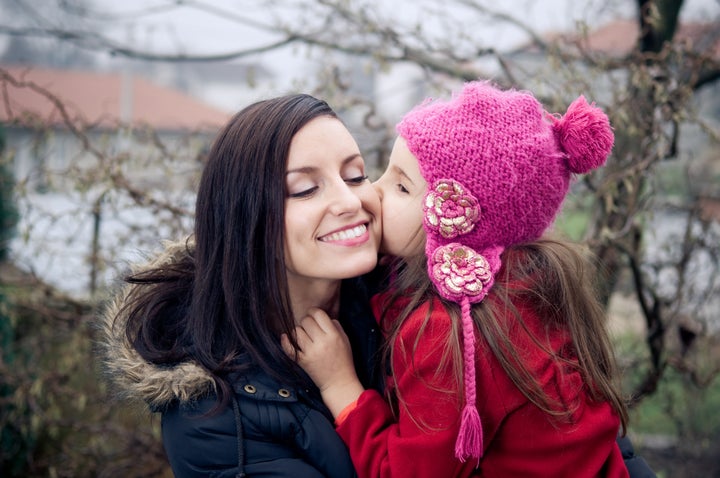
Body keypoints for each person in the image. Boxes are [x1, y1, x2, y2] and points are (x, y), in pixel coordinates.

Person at [284, 81, 632, 477]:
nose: (372, 193)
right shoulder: (529, 291)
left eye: (400, 185)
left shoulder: (446, 334)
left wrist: (340, 385)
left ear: (455, 221)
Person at [100, 93, 384, 477]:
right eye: (304, 188)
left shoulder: (418, 305)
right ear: (246, 218)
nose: (350, 200)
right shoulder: (209, 421)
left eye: (355, 175)